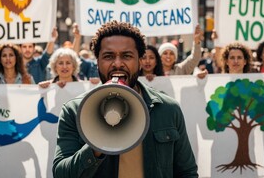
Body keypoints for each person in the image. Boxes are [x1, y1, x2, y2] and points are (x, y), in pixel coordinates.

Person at [53, 21, 198, 177]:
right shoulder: (74, 111)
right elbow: (61, 173)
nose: (117, 64)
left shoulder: (167, 109)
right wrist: (95, 145)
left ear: (140, 61)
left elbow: (187, 172)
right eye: (108, 56)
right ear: (97, 61)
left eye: (126, 56)